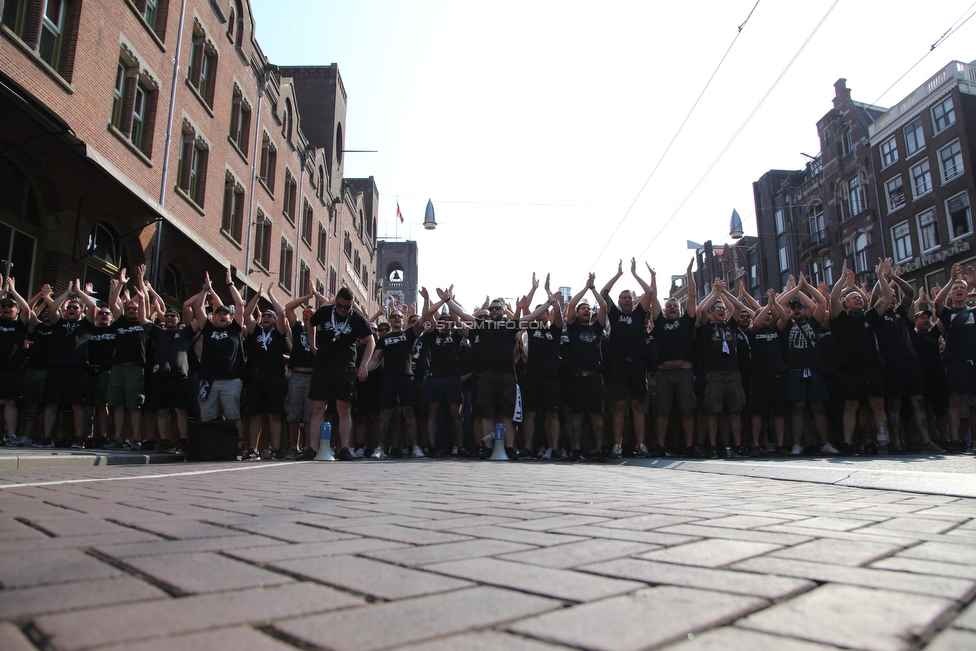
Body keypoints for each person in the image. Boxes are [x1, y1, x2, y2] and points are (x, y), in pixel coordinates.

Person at [439, 284, 560, 459]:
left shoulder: (511, 326)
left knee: (506, 414)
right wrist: (447, 300)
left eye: (497, 308)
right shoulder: (481, 325)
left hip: (507, 375)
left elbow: (532, 315)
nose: (494, 311)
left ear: (503, 311)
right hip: (486, 375)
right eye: (492, 308)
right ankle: (487, 447)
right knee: (487, 414)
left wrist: (549, 302)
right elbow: (463, 315)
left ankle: (509, 447)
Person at [829, 259, 893, 455]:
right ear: (845, 303)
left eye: (859, 297)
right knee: (851, 405)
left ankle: (884, 441)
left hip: (871, 367)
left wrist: (881, 276)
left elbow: (888, 296)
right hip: (850, 368)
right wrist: (841, 279)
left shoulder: (869, 317)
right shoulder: (842, 319)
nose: (858, 299)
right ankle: (848, 444)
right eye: (853, 297)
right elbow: (832, 300)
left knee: (878, 405)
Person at [308, 286, 374, 460]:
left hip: (345, 367)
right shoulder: (325, 311)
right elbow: (310, 323)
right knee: (317, 408)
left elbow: (370, 341)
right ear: (336, 302)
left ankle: (345, 448)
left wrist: (363, 365)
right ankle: (312, 449)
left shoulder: (357, 318)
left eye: (347, 307)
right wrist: (312, 345)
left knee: (344, 409)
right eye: (341, 306)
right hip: (323, 365)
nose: (343, 310)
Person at [600, 258, 654, 458]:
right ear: (620, 301)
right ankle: (617, 446)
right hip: (618, 365)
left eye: (629, 298)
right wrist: (619, 274)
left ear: (633, 300)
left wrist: (635, 273)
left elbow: (649, 293)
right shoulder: (613, 313)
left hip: (638, 364)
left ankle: (641, 446)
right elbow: (604, 292)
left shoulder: (640, 313)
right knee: (619, 406)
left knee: (638, 406)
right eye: (623, 298)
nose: (626, 300)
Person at [368, 291, 430, 459]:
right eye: (393, 316)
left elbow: (424, 319)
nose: (396, 318)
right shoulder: (383, 339)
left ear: (403, 320)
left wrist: (426, 299)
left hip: (406, 377)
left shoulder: (408, 334)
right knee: (385, 413)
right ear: (390, 320)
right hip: (388, 379)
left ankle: (415, 447)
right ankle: (380, 448)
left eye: (399, 317)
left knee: (408, 412)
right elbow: (375, 359)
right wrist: (364, 370)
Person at [189, 270, 246, 446]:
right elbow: (197, 308)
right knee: (207, 417)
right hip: (208, 380)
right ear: (213, 316)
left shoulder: (235, 329)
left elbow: (239, 304)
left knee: (233, 416)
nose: (222, 316)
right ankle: (208, 447)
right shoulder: (208, 328)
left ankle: (238, 446)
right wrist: (205, 288)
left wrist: (230, 283)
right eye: (219, 314)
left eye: (225, 314)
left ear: (230, 317)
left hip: (231, 380)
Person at [38, 280, 97, 448]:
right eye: (69, 308)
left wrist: (79, 292)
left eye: (75, 308)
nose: (72, 310)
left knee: (77, 405)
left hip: (78, 369)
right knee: (51, 404)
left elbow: (92, 307)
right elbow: (52, 309)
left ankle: (78, 438)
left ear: (81, 312)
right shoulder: (60, 323)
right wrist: (67, 292)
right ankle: (47, 437)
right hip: (56, 368)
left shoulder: (86, 324)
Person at [651, 260, 698, 456]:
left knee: (687, 410)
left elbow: (693, 295)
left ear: (679, 309)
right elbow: (652, 297)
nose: (672, 307)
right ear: (664, 310)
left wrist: (689, 273)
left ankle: (689, 446)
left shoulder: (687, 321)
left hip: (684, 373)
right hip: (663, 373)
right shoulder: (659, 321)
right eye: (668, 305)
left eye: (675, 305)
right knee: (663, 410)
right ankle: (661, 446)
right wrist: (653, 277)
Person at [696, 278, 747, 456]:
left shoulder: (730, 325)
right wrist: (715, 293)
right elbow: (701, 310)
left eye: (723, 309)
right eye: (718, 309)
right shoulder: (708, 327)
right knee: (713, 411)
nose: (722, 311)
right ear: (712, 313)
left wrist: (724, 292)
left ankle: (738, 444)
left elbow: (739, 308)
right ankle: (713, 446)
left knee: (735, 409)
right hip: (715, 374)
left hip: (732, 372)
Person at [105, 266, 151, 450]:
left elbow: (145, 302)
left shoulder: (143, 323)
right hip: (117, 368)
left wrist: (140, 279)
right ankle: (117, 438)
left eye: (135, 308)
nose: (132, 310)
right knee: (116, 404)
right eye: (130, 308)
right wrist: (120, 284)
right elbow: (113, 302)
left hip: (135, 368)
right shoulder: (121, 321)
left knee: (134, 406)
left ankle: (135, 438)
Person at [243, 285, 291, 459]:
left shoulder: (278, 333)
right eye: (263, 315)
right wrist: (257, 295)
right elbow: (247, 314)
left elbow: (282, 315)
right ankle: (252, 449)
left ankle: (276, 448)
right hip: (256, 379)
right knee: (255, 415)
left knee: (274, 415)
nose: (265, 317)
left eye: (269, 316)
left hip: (274, 378)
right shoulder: (255, 331)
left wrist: (271, 295)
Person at [520, 273, 563, 459]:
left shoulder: (555, 329)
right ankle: (528, 448)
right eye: (539, 313)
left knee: (552, 414)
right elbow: (525, 310)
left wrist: (549, 294)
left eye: (544, 312)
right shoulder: (532, 327)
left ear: (549, 315)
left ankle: (554, 448)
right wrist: (534, 288)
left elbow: (559, 314)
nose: (541, 315)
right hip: (532, 376)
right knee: (529, 414)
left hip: (551, 377)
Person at [933, 262, 976, 451]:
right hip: (955, 361)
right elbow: (937, 304)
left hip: (973, 361)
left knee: (974, 402)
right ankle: (955, 440)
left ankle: (974, 440)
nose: (959, 291)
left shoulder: (973, 312)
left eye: (962, 288)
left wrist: (974, 283)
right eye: (955, 289)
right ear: (951, 293)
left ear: (967, 294)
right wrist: (951, 280)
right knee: (956, 400)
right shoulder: (948, 313)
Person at [566, 273, 608, 461]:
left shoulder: (597, 327)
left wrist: (593, 289)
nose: (587, 311)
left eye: (589, 309)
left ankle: (597, 450)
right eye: (584, 308)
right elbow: (570, 305)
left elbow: (604, 306)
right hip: (577, 378)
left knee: (596, 415)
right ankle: (576, 450)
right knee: (577, 415)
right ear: (577, 313)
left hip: (595, 377)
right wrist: (585, 287)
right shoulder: (573, 327)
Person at [283, 290, 322, 460]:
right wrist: (308, 297)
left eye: (311, 314)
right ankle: (293, 446)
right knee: (293, 413)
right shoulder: (298, 328)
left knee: (309, 415)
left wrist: (318, 295)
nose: (308, 316)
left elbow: (330, 307)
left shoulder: (320, 331)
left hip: (313, 376)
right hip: (297, 375)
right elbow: (288, 308)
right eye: (305, 313)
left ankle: (308, 447)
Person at [0, 275, 32, 446]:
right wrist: (3, 292)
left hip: (12, 369)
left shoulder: (20, 325)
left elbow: (27, 310)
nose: (7, 308)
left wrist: (13, 292)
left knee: (10, 402)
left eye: (11, 306)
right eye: (4, 306)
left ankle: (11, 436)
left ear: (16, 310)